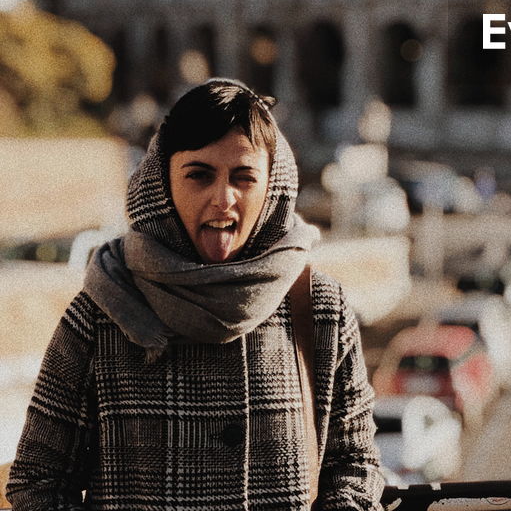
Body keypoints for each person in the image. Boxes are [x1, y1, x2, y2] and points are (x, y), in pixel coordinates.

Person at [6, 79, 383, 510]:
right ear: (164, 184)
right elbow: (39, 483)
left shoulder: (319, 309)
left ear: (271, 186)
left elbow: (355, 464)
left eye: (244, 178)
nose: (223, 199)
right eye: (199, 176)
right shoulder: (100, 312)